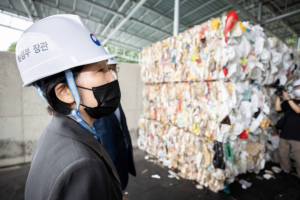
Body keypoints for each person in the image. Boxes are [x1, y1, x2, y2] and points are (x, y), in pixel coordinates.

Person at [16, 14, 123, 200]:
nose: (112, 78)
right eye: (101, 70)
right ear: (65, 91)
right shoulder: (82, 166)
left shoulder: (56, 135)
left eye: (109, 68)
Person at [94, 48, 136, 191]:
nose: (112, 75)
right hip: (109, 171)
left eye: (113, 69)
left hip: (122, 161)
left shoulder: (115, 99)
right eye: (103, 70)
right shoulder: (93, 107)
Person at [275, 79, 300, 179]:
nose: (299, 89)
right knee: (283, 154)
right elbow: (278, 109)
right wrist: (278, 96)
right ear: (293, 90)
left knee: (299, 158)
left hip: (298, 136)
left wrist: (288, 99)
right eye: (297, 88)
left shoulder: (290, 101)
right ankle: (285, 170)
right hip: (285, 133)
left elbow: (298, 110)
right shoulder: (289, 102)